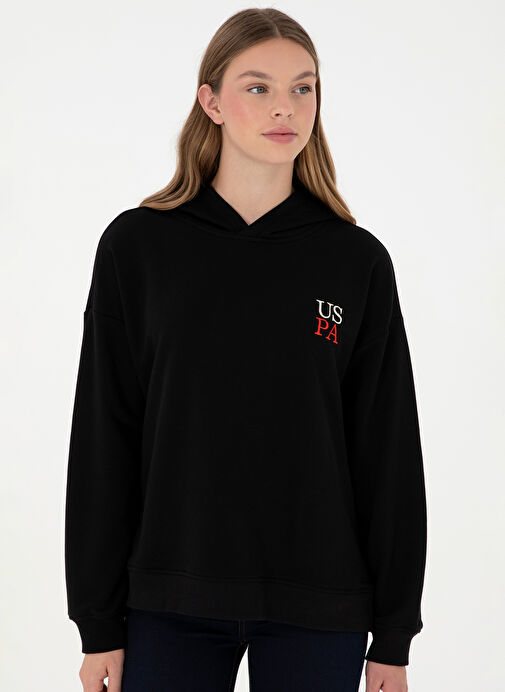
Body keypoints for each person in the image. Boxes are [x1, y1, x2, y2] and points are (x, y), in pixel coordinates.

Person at [64, 8, 427, 692]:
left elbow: (387, 452)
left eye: (303, 88)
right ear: (211, 102)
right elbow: (104, 438)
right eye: (258, 87)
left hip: (321, 604)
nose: (285, 107)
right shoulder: (138, 248)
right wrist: (98, 622)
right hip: (167, 600)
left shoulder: (354, 262)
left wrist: (394, 634)